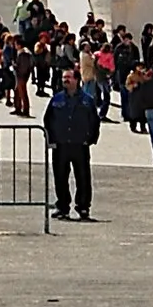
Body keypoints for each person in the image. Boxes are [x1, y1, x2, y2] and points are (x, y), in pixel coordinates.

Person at [44, 70, 100, 221]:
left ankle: (83, 207)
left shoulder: (87, 100)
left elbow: (94, 121)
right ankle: (62, 207)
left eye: (68, 77)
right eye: (64, 78)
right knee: (60, 177)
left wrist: (90, 139)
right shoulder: (56, 99)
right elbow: (48, 120)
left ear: (77, 80)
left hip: (79, 145)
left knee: (83, 178)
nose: (65, 80)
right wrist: (51, 140)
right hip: (61, 145)